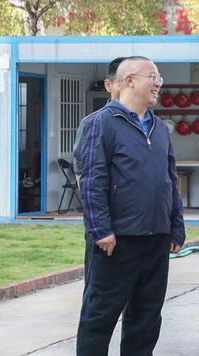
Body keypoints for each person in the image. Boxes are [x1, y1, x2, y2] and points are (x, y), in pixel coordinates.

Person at [76, 57, 185, 355]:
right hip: (116, 240)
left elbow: (169, 178)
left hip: (156, 238)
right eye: (152, 76)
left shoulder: (160, 127)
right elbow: (91, 180)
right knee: (100, 317)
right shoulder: (100, 123)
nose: (159, 82)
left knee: (147, 318)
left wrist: (176, 227)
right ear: (129, 81)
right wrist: (100, 230)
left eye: (159, 76)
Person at [73, 57, 126, 290]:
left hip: (137, 230)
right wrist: (101, 227)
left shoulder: (149, 125)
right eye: (122, 82)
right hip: (107, 230)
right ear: (108, 85)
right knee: (99, 294)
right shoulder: (94, 123)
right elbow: (82, 178)